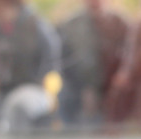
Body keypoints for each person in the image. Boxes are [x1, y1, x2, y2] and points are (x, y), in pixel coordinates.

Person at [0, 0, 61, 136]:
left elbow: (51, 60)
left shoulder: (36, 25)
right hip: (4, 88)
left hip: (35, 88)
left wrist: (43, 82)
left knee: (16, 104)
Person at [55, 0, 129, 128]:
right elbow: (63, 63)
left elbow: (126, 60)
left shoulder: (121, 24)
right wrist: (85, 88)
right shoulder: (70, 26)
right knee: (66, 96)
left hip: (110, 88)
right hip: (77, 89)